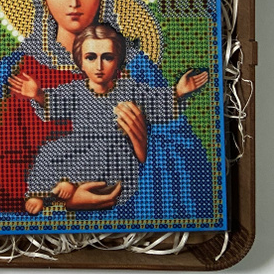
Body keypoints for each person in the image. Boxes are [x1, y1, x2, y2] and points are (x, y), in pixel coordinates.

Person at [0, 0, 214, 225]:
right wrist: (65, 202)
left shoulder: (136, 69)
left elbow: (190, 165)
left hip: (122, 201)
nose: (74, 0)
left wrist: (144, 145)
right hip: (36, 217)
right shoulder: (16, 72)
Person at [13, 24, 209, 214]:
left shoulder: (129, 89)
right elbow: (55, 103)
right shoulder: (76, 91)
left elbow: (155, 103)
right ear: (80, 61)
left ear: (118, 60)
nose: (99, 66)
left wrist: (178, 92)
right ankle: (41, 193)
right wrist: (38, 94)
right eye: (91, 57)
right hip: (80, 144)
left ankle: (69, 185)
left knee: (103, 165)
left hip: (116, 152)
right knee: (49, 151)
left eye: (107, 57)